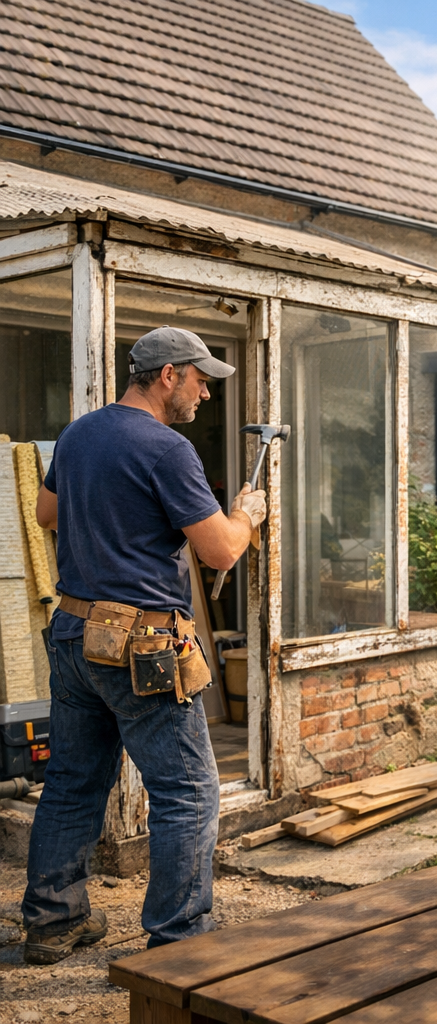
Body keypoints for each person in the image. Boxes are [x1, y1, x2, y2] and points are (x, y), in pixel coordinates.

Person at [21, 326, 266, 964]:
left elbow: (48, 516)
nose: (206, 393)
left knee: (73, 781)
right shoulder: (167, 449)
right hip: (141, 647)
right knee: (188, 790)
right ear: (168, 376)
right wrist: (247, 515)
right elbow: (219, 550)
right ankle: (176, 943)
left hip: (75, 634)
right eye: (201, 378)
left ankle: (52, 923)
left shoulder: (78, 434)